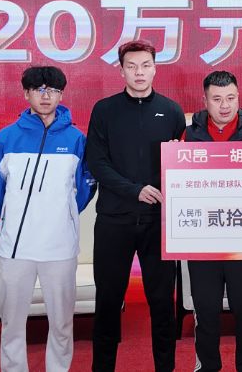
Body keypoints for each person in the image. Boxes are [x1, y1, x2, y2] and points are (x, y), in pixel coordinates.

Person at [0, 65, 95, 372]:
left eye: (54, 90)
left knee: (62, 322)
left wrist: (64, 214)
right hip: (16, 248)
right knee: (12, 322)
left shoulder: (76, 140)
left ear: (62, 95)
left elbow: (85, 187)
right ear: (26, 94)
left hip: (60, 247)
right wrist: (13, 215)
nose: (46, 96)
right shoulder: (6, 138)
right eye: (39, 90)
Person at [85, 40, 186, 372]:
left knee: (162, 303)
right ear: (121, 70)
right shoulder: (104, 110)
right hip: (114, 220)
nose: (139, 72)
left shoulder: (171, 111)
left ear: (155, 68)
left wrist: (156, 189)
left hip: (157, 222)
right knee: (108, 300)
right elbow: (97, 162)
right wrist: (134, 191)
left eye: (145, 65)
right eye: (132, 66)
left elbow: (180, 162)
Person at [182, 70, 242, 372]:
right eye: (217, 99)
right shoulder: (188, 136)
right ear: (204, 100)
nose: (225, 105)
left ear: (238, 98)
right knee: (206, 314)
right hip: (202, 242)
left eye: (231, 98)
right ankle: (206, 367)